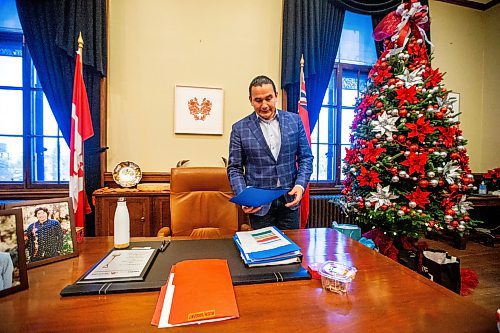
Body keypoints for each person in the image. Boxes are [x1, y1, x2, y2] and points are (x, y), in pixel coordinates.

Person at [227, 75, 313, 229]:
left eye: (269, 98)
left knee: (292, 249)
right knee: (263, 250)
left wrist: (300, 185)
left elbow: (306, 157)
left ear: (276, 97)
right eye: (258, 100)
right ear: (251, 100)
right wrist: (243, 197)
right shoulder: (239, 129)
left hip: (290, 201)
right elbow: (234, 168)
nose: (264, 105)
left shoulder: (295, 121)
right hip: (259, 206)